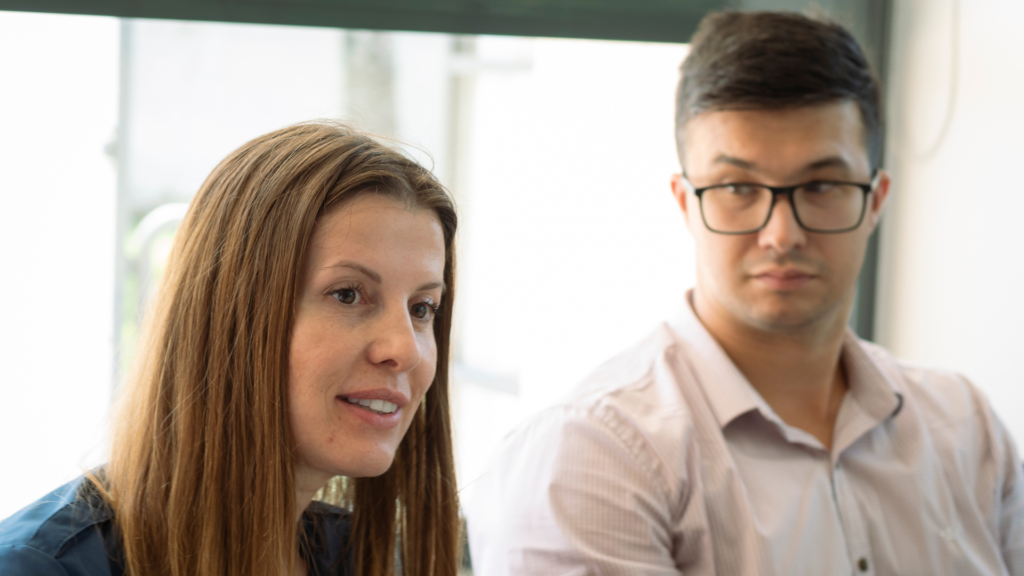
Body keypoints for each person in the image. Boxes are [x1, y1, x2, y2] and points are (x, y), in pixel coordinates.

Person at [463, 11, 1024, 576]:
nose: (782, 234)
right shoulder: (592, 454)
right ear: (686, 203)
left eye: (821, 185)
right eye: (737, 187)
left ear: (874, 201)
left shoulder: (966, 428)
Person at [0, 122, 461, 576]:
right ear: (227, 314)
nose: (406, 349)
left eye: (422, 308)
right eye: (347, 294)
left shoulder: (364, 558)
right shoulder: (37, 567)